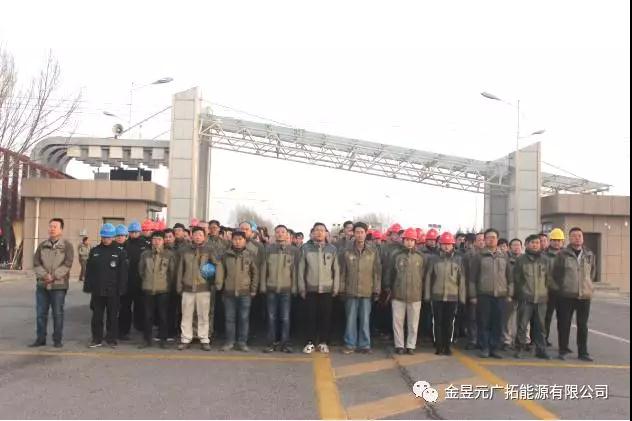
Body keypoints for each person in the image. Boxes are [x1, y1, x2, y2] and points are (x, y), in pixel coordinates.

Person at [553, 227, 596, 362]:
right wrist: (561, 288)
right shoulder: (562, 255)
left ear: (583, 238)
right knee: (564, 324)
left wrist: (588, 286)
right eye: (574, 236)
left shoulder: (589, 254)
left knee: (582, 325)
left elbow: (592, 273)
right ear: (569, 238)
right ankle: (563, 350)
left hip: (584, 295)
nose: (577, 238)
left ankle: (583, 352)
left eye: (579, 236)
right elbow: (556, 274)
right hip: (566, 294)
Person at [469, 228, 513, 359]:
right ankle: (485, 348)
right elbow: (472, 278)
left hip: (501, 295)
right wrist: (473, 295)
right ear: (485, 240)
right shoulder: (479, 256)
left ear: (497, 239)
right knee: (484, 322)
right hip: (484, 295)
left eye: (493, 237)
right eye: (488, 237)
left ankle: (494, 348)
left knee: (498, 323)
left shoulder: (504, 256)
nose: (491, 240)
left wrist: (509, 294)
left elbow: (509, 277)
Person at [30, 218, 74, 348]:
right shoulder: (42, 245)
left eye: (55, 227)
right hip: (42, 285)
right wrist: (45, 275)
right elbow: (36, 263)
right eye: (50, 226)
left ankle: (57, 340)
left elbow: (68, 264)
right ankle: (40, 339)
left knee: (57, 314)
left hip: (59, 285)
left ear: (61, 229)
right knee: (40, 314)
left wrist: (54, 276)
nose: (52, 229)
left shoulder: (67, 246)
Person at [339, 222, 381, 354]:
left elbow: (377, 272)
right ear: (353, 233)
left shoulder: (372, 251)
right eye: (357, 232)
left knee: (365, 320)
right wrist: (341, 289)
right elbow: (342, 272)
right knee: (350, 319)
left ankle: (364, 344)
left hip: (367, 291)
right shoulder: (346, 251)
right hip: (350, 291)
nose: (359, 235)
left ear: (366, 233)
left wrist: (377, 289)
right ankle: (350, 344)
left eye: (362, 232)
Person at [298, 222, 340, 354]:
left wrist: (336, 287)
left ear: (326, 233)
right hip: (310, 289)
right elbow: (301, 269)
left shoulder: (332, 249)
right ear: (312, 232)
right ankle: (310, 342)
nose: (319, 232)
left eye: (322, 230)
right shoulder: (305, 248)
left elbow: (336, 270)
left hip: (327, 289)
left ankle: (323, 342)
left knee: (325, 317)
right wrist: (301, 287)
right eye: (317, 230)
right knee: (310, 317)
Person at [85, 223, 127, 348]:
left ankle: (111, 338)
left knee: (112, 316)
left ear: (113, 237)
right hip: (98, 290)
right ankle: (96, 339)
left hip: (113, 290)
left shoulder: (120, 252)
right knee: (97, 316)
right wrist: (87, 286)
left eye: (108, 237)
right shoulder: (95, 251)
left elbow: (123, 273)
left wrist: (122, 288)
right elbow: (89, 271)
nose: (106, 239)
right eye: (104, 237)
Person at [215, 230, 259, 352]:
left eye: (240, 239)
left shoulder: (250, 255)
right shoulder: (225, 255)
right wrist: (220, 286)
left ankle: (242, 342)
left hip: (245, 292)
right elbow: (221, 272)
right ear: (231, 240)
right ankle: (230, 342)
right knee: (229, 319)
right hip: (228, 292)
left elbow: (255, 273)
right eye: (235, 239)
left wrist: (253, 289)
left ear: (245, 241)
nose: (237, 242)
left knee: (244, 318)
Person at [424, 232, 466, 355]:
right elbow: (428, 277)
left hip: (452, 297)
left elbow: (462, 279)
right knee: (437, 322)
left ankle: (447, 346)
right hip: (437, 296)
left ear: (453, 245)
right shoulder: (434, 259)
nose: (446, 246)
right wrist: (427, 295)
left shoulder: (458, 260)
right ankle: (438, 346)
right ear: (440, 245)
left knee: (449, 323)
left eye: (449, 244)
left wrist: (462, 297)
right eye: (444, 244)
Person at [386, 228, 426, 355]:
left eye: (412, 240)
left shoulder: (420, 257)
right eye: (407, 240)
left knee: (413, 323)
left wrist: (422, 290)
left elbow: (424, 275)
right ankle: (399, 345)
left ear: (415, 242)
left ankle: (411, 345)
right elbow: (390, 273)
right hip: (398, 294)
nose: (409, 242)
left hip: (415, 295)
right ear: (403, 240)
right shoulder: (396, 255)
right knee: (397, 322)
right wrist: (388, 287)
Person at [176, 227, 217, 351]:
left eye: (200, 234)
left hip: (204, 288)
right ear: (191, 236)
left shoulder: (210, 250)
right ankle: (185, 339)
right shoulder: (184, 250)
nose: (198, 237)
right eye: (195, 234)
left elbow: (216, 267)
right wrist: (179, 285)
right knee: (186, 315)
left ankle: (204, 339)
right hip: (187, 288)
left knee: (203, 315)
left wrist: (214, 283)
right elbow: (180, 269)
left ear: (205, 237)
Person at [260, 225, 298, 353]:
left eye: (283, 232)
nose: (280, 234)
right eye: (277, 232)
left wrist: (294, 287)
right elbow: (264, 269)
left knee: (285, 318)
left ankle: (285, 343)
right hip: (271, 288)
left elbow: (295, 271)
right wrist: (263, 285)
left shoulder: (293, 250)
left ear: (287, 235)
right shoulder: (268, 249)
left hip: (286, 289)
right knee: (271, 317)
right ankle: (271, 343)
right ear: (274, 234)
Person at [513, 234, 551, 360]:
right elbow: (516, 279)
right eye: (532, 243)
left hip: (541, 299)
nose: (535, 245)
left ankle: (541, 350)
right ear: (526, 244)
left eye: (537, 243)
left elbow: (549, 279)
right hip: (525, 298)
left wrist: (547, 293)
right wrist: (519, 294)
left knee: (541, 326)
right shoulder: (521, 260)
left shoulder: (545, 260)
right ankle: (520, 348)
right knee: (522, 325)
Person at [138, 230, 177, 349]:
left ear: (163, 241)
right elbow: (141, 271)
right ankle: (147, 340)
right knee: (147, 316)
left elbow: (172, 273)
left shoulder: (169, 254)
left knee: (163, 316)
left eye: (159, 239)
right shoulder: (145, 254)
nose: (156, 242)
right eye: (154, 239)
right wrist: (147, 281)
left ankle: (163, 340)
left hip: (163, 290)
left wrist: (167, 285)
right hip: (148, 289)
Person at [120, 220, 148, 339]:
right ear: (129, 233)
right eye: (132, 232)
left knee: (140, 306)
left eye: (136, 232)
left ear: (139, 232)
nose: (134, 234)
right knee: (125, 307)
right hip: (127, 281)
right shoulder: (125, 245)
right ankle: (123, 330)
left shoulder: (145, 244)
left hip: (140, 281)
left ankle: (140, 326)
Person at [544, 228, 565, 347]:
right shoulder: (544, 255)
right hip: (548, 291)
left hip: (564, 292)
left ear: (562, 241)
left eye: (559, 240)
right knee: (546, 317)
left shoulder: (567, 255)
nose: (557, 242)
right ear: (550, 241)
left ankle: (563, 344)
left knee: (563, 319)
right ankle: (543, 339)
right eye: (554, 240)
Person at [464, 232, 485, 350]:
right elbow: (465, 274)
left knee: (484, 318)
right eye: (479, 239)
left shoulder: (490, 254)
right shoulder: (468, 256)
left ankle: (483, 340)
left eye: (483, 239)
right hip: (472, 290)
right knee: (472, 317)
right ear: (475, 242)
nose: (482, 241)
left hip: (486, 291)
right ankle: (472, 340)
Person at [501, 238, 523, 350]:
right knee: (507, 319)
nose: (516, 247)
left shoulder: (525, 259)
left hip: (523, 293)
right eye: (514, 245)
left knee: (523, 319)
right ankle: (507, 340)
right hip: (509, 293)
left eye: (518, 245)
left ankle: (523, 340)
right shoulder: (505, 259)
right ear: (510, 247)